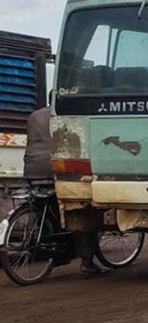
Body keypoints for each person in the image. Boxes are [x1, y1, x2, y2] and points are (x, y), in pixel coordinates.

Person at [24, 94, 105, 275]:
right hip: (55, 168)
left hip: (32, 169)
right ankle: (87, 262)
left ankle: (52, 250)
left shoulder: (34, 116)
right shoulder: (67, 115)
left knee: (44, 209)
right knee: (81, 209)